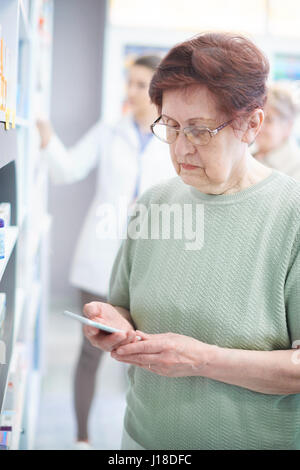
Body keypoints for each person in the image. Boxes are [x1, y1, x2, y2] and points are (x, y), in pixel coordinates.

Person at [82, 32, 300, 450]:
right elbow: (125, 306)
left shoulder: (290, 216)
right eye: (172, 127)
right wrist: (113, 322)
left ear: (252, 124)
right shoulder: (153, 204)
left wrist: (202, 360)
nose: (181, 148)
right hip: (141, 443)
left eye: (201, 130)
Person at [36, 55, 176, 449]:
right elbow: (68, 169)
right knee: (90, 352)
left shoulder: (172, 137)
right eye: (128, 83)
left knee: (145, 352)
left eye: (139, 85)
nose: (130, 92)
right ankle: (82, 439)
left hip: (151, 262)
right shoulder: (109, 130)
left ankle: (143, 440)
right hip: (99, 257)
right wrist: (47, 139)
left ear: (158, 92)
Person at [253, 82, 300, 180]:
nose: (259, 127)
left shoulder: (296, 168)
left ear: (288, 127)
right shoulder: (250, 153)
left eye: (269, 120)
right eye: (257, 118)